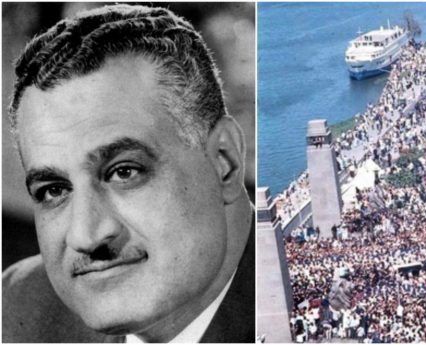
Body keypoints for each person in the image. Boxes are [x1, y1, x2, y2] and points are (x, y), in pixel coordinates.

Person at [2, 4, 254, 343]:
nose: (86, 236)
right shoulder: (18, 306)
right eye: (54, 190)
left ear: (225, 162)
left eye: (124, 172)